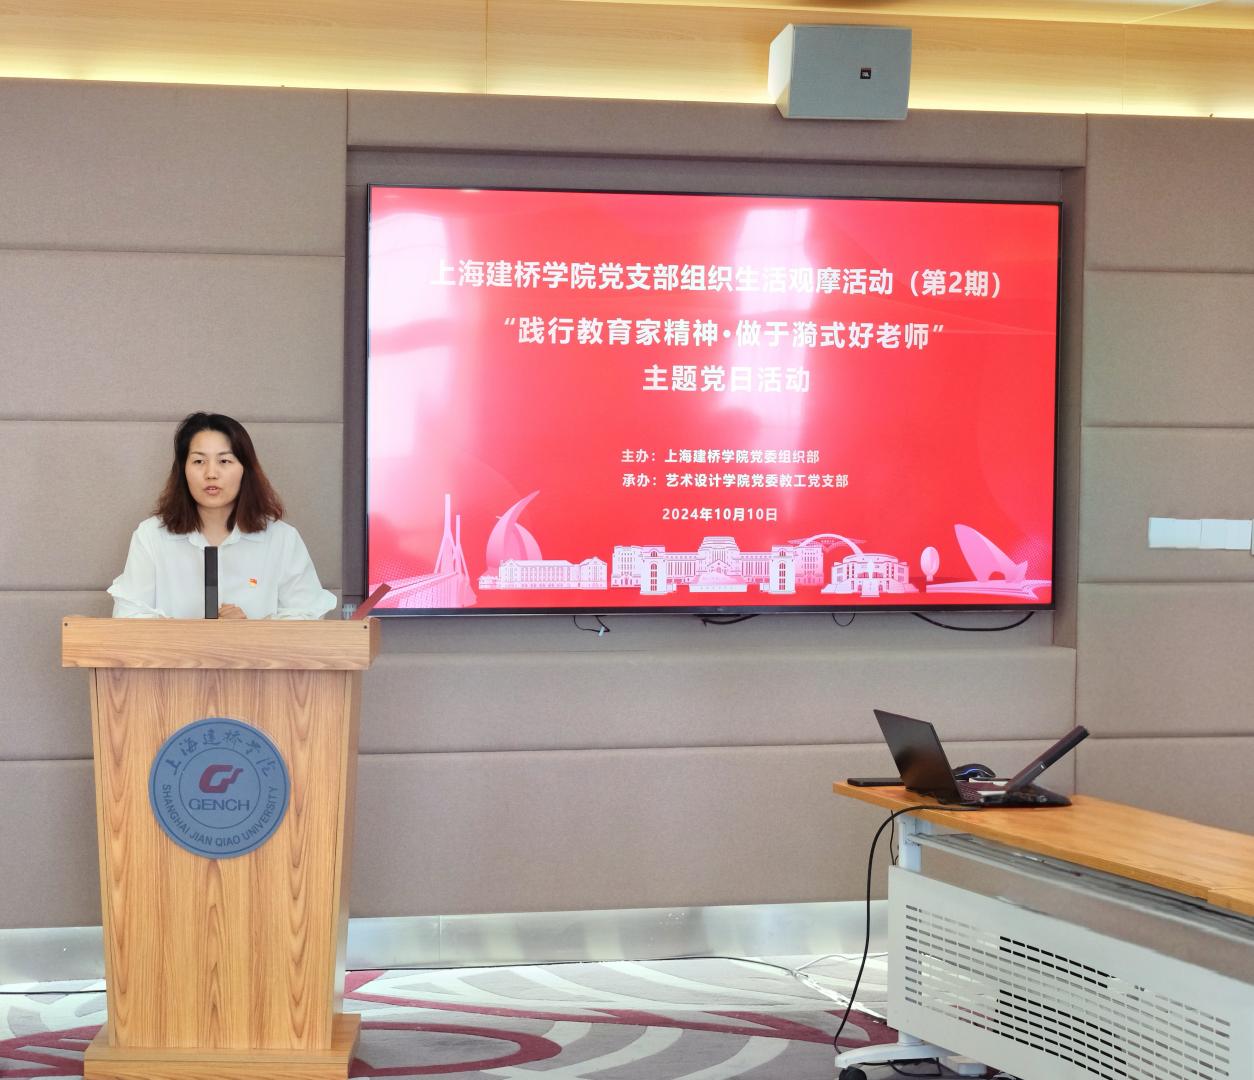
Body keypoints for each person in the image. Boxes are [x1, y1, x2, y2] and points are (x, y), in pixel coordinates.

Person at [109, 412, 337, 620]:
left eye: (224, 461)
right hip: (176, 654)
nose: (211, 473)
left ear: (245, 469)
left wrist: (249, 631)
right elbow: (128, 615)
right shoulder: (151, 536)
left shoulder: (281, 538)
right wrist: (193, 634)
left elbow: (308, 617)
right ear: (183, 470)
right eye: (199, 461)